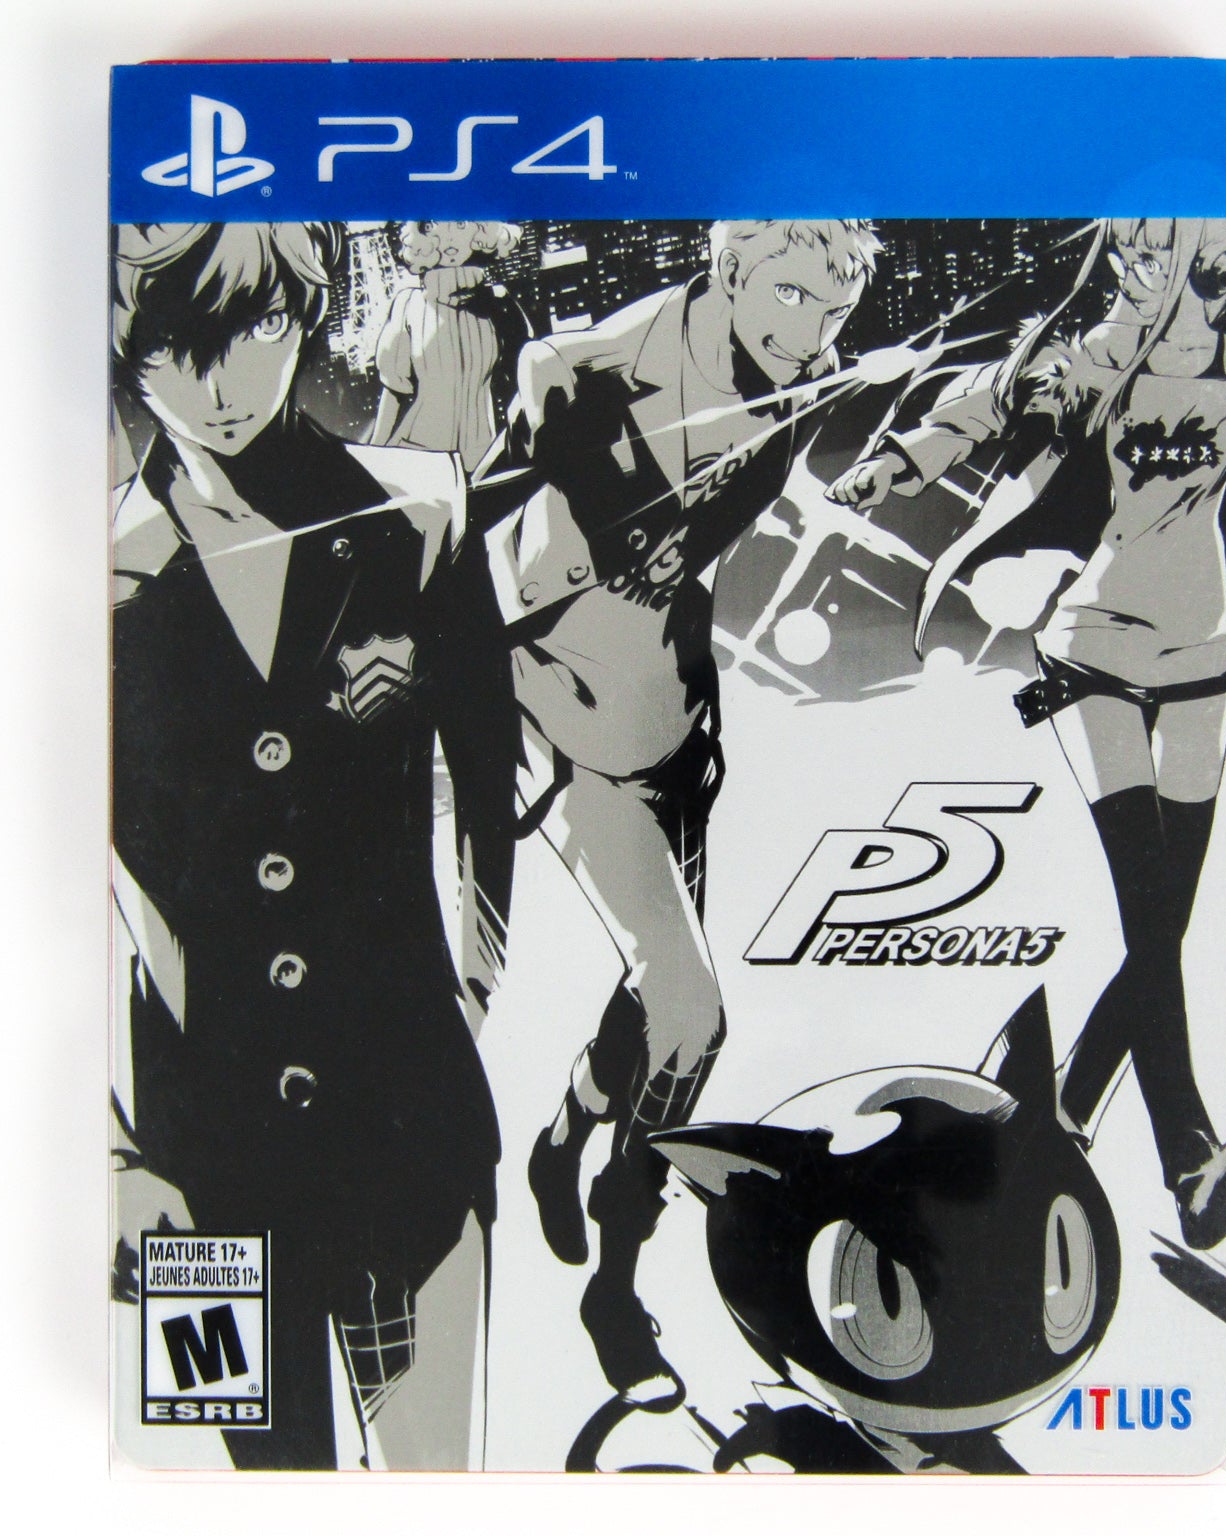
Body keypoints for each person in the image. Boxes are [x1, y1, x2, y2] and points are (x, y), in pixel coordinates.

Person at [108, 221, 517, 1469]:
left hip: (408, 1124)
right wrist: (116, 1153)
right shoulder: (97, 578)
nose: (220, 383)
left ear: (306, 310)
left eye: (257, 327)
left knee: (435, 1485)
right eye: (174, 345)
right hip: (195, 1162)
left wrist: (468, 988)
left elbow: (488, 776)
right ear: (125, 350)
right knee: (253, 1498)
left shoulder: (418, 513)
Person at [480, 219, 880, 1404]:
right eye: (792, 296)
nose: (810, 331)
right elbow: (545, 380)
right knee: (691, 1012)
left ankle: (565, 1135)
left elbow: (722, 510)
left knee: (654, 991)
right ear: (729, 270)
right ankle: (616, 1282)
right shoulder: (611, 357)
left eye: (832, 311)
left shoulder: (800, 379)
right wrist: (618, 508)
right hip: (562, 709)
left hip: (672, 715)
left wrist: (681, 534)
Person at [827, 217, 1226, 1250]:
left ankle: (1063, 1111)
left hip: (1205, 658)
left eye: (1172, 249)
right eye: (1134, 250)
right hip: (1088, 650)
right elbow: (993, 399)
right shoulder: (1099, 353)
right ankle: (1187, 1150)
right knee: (1150, 915)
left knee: (1161, 925)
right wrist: (900, 462)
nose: (1145, 267)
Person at [369, 221, 530, 470]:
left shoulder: (499, 303)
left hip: (484, 456)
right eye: (432, 226)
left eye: (460, 224)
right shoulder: (408, 305)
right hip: (419, 454)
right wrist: (373, 458)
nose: (450, 237)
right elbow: (394, 391)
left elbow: (525, 380)